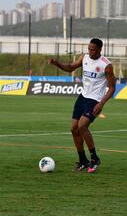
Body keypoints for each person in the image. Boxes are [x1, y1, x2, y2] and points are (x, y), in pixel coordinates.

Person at [48, 38, 116, 173]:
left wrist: (101, 103)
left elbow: (112, 87)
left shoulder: (106, 65)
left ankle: (95, 158)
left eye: (93, 49)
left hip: (95, 100)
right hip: (83, 97)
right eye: (89, 48)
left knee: (82, 125)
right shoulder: (84, 57)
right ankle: (83, 161)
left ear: (99, 49)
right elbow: (70, 68)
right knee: (74, 128)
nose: (90, 52)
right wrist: (57, 63)